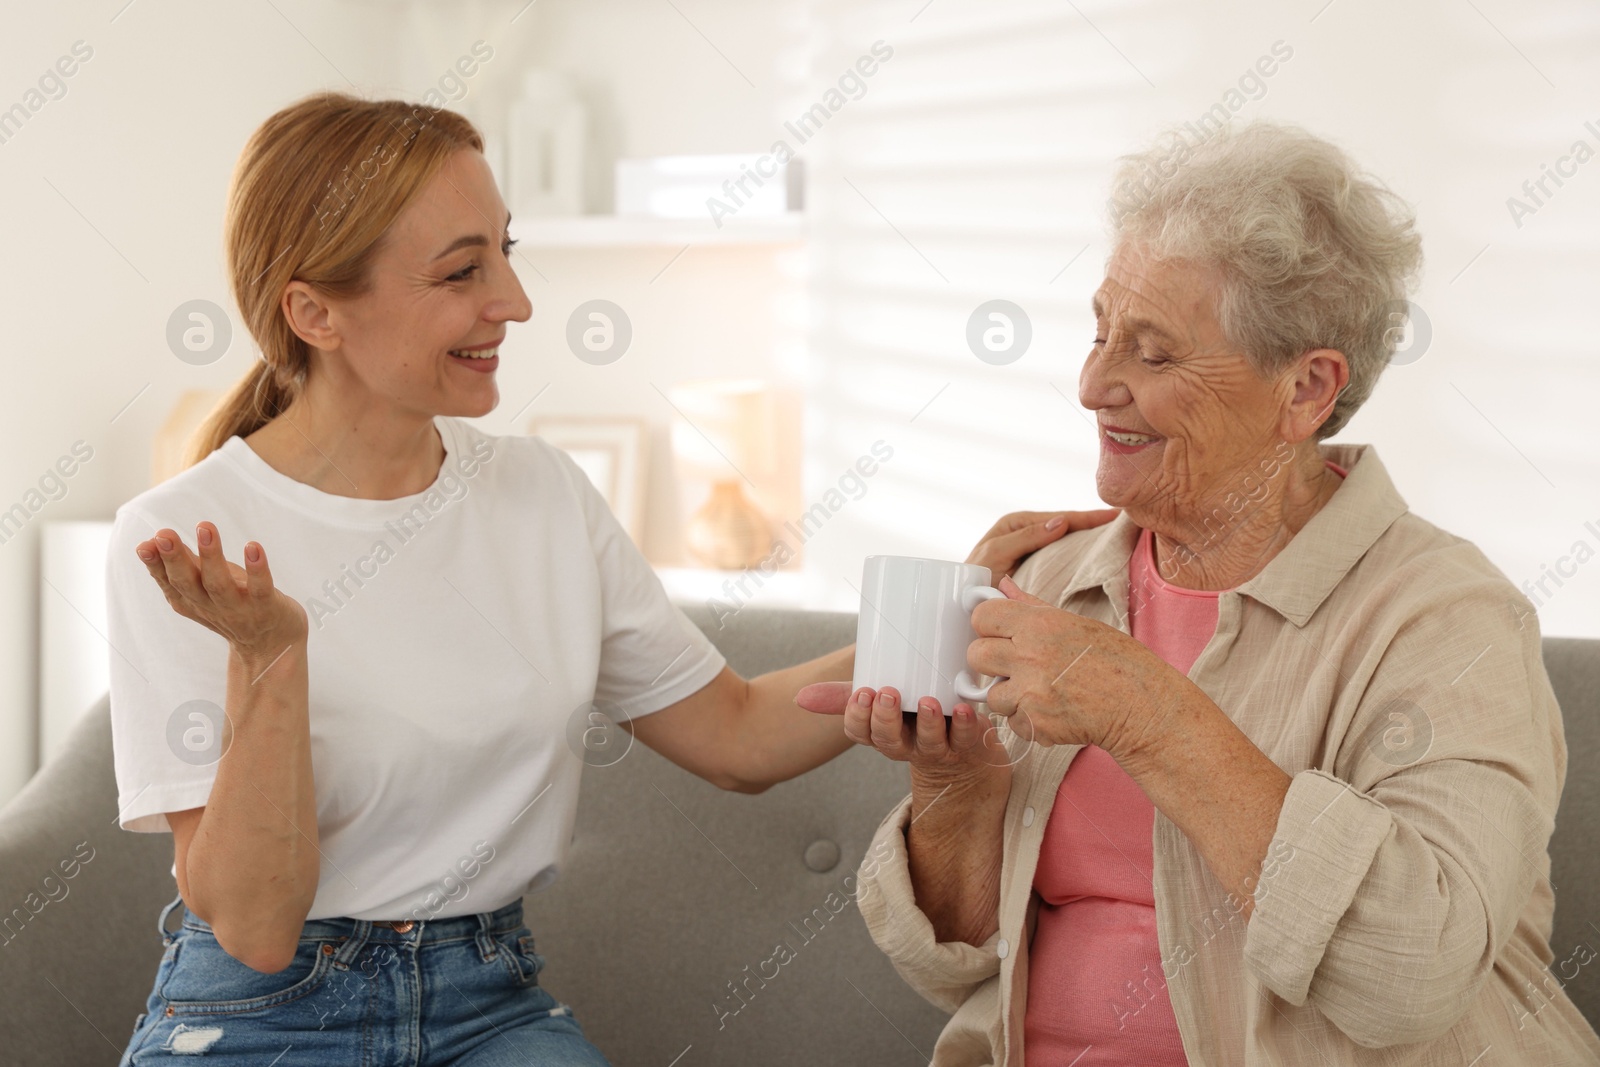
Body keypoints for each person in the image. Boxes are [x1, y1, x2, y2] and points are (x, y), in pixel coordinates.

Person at [107, 90, 1116, 1065]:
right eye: (461, 271)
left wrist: (946, 604)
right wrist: (271, 652)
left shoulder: (540, 494)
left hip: (483, 1002)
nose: (514, 300)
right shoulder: (184, 540)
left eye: (506, 252)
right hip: (262, 1014)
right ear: (315, 312)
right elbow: (253, 924)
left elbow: (736, 734)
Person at [801, 121, 1600, 1064]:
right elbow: (956, 964)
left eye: (1154, 354)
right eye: (1100, 332)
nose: (1095, 383)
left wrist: (1151, 714)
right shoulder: (1056, 582)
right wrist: (958, 784)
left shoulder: (1450, 619)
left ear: (1305, 389)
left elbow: (1410, 976)